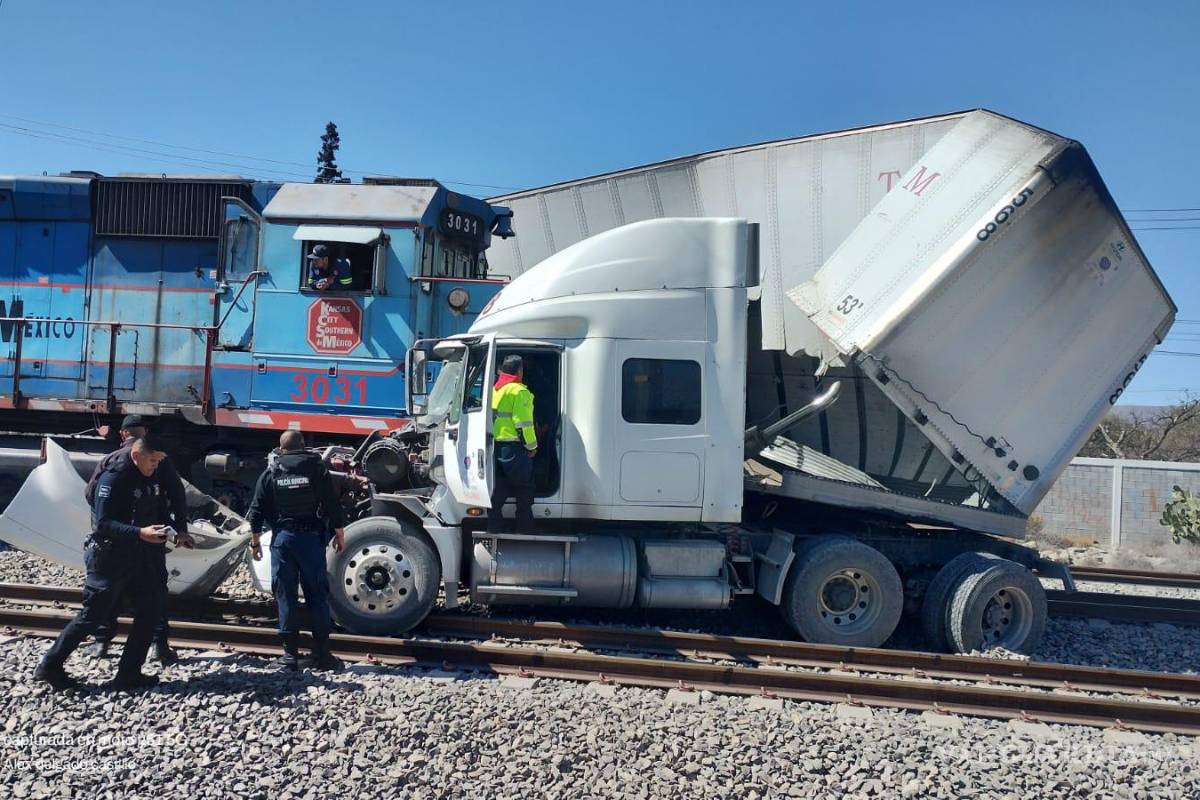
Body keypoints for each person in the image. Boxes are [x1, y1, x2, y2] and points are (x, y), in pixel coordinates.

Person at [35, 436, 187, 691]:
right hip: (110, 557)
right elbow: (104, 523)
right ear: (137, 456)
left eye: (158, 462)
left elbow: (156, 509)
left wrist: (177, 531)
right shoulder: (114, 477)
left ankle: (129, 672)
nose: (155, 466)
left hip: (140, 557)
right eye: (152, 461)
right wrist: (140, 533)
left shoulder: (150, 475)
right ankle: (50, 666)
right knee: (92, 616)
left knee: (150, 610)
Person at [83, 415, 190, 664]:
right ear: (145, 434)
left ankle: (101, 641)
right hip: (151, 537)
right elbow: (177, 492)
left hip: (118, 540)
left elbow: (90, 494)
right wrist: (180, 528)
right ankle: (159, 645)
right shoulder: (159, 459)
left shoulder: (110, 460)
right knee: (155, 591)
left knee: (111, 588)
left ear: (123, 435)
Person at [246, 430, 346, 671]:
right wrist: (339, 533)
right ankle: (323, 655)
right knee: (317, 596)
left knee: (285, 595)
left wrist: (255, 543)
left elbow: (257, 510)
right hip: (311, 540)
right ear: (304, 447)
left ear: (281, 449)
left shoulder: (271, 471)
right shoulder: (317, 469)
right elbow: (332, 503)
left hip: (284, 541)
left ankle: (289, 656)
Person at [489, 354, 537, 533]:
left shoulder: (495, 390)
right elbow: (523, 423)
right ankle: (524, 528)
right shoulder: (519, 391)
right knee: (525, 486)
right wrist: (531, 446)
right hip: (513, 448)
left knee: (500, 487)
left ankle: (494, 526)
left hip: (496, 446)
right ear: (519, 371)